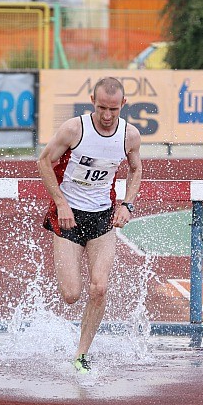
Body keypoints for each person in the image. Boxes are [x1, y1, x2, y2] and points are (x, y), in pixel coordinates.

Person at [38, 77, 142, 373]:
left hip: (102, 216)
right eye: (101, 108)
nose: (107, 116)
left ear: (123, 105)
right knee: (71, 295)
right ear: (91, 101)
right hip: (68, 215)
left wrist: (127, 204)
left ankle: (81, 355)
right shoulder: (75, 129)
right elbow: (44, 161)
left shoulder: (129, 136)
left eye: (113, 109)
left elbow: (136, 168)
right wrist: (60, 203)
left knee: (99, 287)